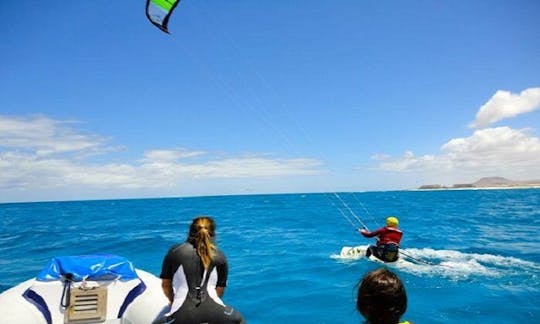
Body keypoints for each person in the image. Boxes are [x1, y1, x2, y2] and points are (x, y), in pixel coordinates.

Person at [156, 216, 245, 324]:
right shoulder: (220, 255)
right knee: (239, 320)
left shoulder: (175, 252)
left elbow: (166, 285)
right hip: (216, 313)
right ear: (213, 234)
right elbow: (219, 291)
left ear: (189, 232)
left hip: (183, 315)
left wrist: (172, 301)